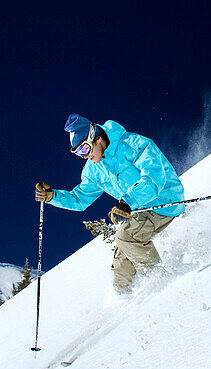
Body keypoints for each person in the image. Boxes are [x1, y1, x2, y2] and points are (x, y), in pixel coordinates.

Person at [35, 114, 185, 295]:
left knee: (125, 236)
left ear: (96, 138)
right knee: (121, 262)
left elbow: (154, 176)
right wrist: (53, 196)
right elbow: (80, 199)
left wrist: (129, 201)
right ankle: (124, 300)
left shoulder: (132, 144)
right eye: (78, 153)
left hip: (164, 200)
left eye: (84, 149)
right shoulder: (93, 170)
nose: (85, 156)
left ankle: (163, 283)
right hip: (137, 209)